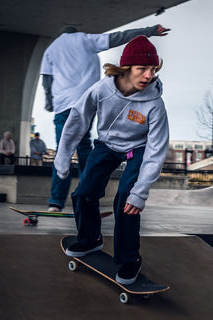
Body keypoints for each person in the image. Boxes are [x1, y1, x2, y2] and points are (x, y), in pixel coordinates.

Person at [55, 36, 169, 285]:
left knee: (127, 200)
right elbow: (77, 120)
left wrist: (140, 193)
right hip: (107, 145)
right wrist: (63, 156)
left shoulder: (155, 105)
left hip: (139, 149)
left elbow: (157, 149)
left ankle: (130, 259)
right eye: (142, 69)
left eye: (153, 69)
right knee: (83, 193)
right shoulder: (101, 90)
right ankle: (90, 239)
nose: (148, 76)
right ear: (126, 68)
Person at [41, 24, 170, 212]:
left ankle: (57, 201)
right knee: (84, 147)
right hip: (89, 97)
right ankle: (89, 190)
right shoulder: (86, 39)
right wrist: (149, 31)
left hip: (63, 103)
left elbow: (46, 78)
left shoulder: (50, 49)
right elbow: (120, 37)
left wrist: (49, 101)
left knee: (63, 147)